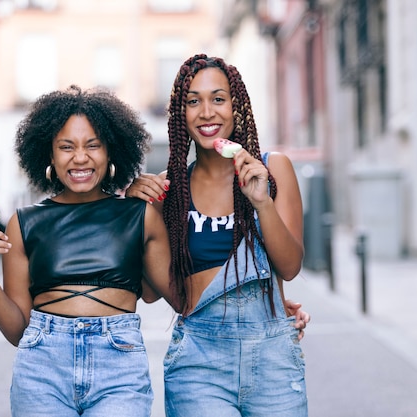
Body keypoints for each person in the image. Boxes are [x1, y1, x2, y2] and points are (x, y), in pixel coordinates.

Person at [0, 85, 180, 417]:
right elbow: (16, 331)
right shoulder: (24, 223)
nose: (80, 157)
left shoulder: (139, 216)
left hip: (120, 372)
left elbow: (169, 295)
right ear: (50, 156)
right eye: (66, 147)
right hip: (42, 371)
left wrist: (263, 297)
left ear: (111, 152)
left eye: (93, 146)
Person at [126, 54, 309, 416]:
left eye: (218, 99)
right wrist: (135, 213)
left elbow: (289, 267)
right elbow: (148, 294)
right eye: (193, 101)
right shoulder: (168, 192)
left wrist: (261, 202)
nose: (207, 112)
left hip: (273, 357)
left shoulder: (273, 170)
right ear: (181, 114)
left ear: (236, 106)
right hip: (199, 362)